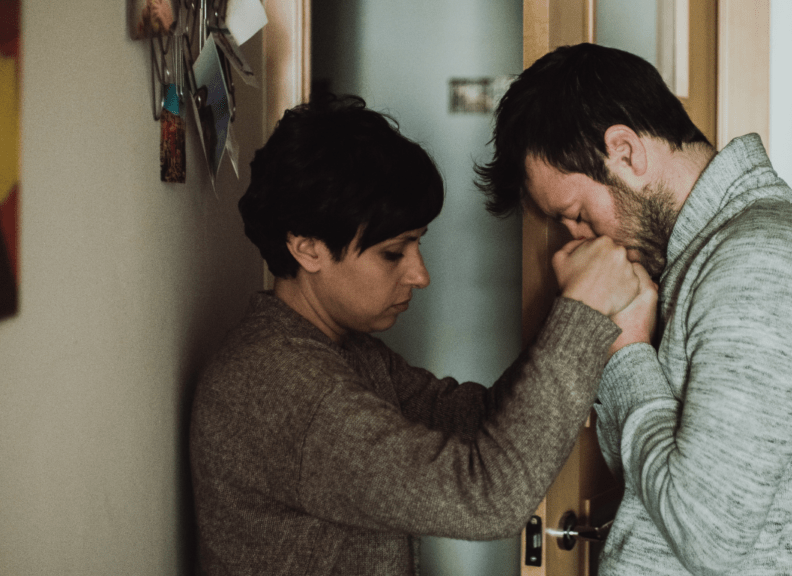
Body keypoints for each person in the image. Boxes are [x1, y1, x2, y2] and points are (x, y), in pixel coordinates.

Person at [189, 93, 657, 575]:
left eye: (418, 244)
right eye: (394, 252)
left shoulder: (343, 352)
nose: (420, 274)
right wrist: (581, 317)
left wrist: (580, 318)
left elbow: (478, 418)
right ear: (307, 248)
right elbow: (488, 499)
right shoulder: (278, 387)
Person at [477, 43, 792, 576]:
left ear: (624, 152)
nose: (574, 241)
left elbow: (706, 535)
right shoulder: (702, 260)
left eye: (575, 214)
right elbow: (653, 482)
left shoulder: (763, 261)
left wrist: (627, 354)